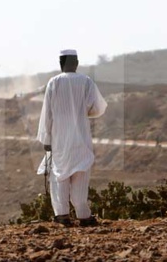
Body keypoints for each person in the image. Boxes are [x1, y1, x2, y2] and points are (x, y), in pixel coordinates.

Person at [36, 49, 107, 227]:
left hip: (59, 139)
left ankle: (62, 216)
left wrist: (46, 139)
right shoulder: (86, 81)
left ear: (61, 63)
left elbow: (47, 114)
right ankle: (83, 216)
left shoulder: (54, 82)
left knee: (59, 176)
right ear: (76, 63)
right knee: (80, 174)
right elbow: (97, 107)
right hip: (81, 137)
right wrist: (82, 113)